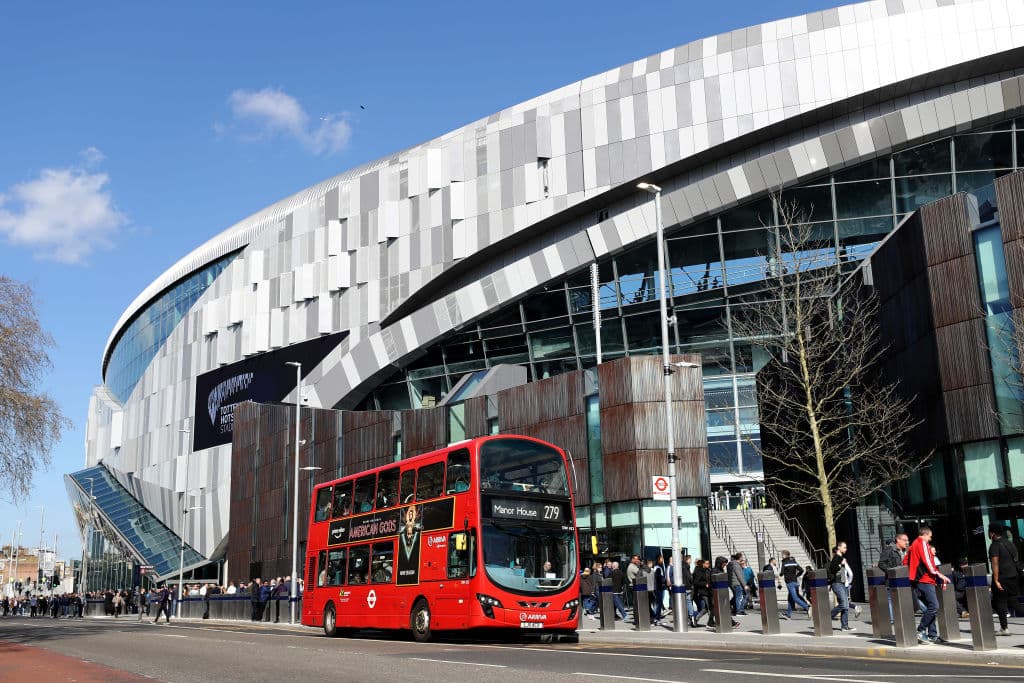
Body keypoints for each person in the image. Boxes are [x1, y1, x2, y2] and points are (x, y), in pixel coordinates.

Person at [906, 525, 951, 644]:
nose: (930, 539)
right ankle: (920, 630)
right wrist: (939, 574)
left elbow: (905, 561)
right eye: (930, 536)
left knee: (929, 609)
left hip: (917, 580)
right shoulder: (922, 543)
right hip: (925, 580)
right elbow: (928, 562)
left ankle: (932, 635)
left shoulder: (913, 545)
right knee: (934, 606)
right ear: (925, 534)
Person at [988, 523, 1024, 636]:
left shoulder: (994, 545)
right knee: (1013, 601)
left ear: (992, 533)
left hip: (1002, 577)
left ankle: (1004, 628)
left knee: (1001, 602)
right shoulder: (1009, 543)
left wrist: (996, 580)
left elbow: (995, 563)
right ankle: (1004, 628)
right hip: (1013, 577)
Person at [828, 542, 854, 631]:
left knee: (845, 606)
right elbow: (832, 568)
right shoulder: (836, 557)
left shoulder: (841, 558)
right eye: (844, 547)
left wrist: (847, 583)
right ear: (839, 548)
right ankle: (829, 616)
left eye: (846, 547)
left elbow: (846, 572)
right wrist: (841, 564)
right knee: (844, 604)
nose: (846, 549)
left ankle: (844, 626)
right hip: (837, 583)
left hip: (843, 584)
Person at [780, 550, 809, 619]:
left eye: (782, 555)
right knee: (790, 599)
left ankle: (808, 607)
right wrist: (796, 575)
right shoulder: (794, 562)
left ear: (785, 555)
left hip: (789, 583)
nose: (781, 556)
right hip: (795, 582)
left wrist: (780, 575)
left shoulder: (784, 562)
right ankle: (788, 614)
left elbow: (781, 573)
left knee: (795, 598)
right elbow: (801, 570)